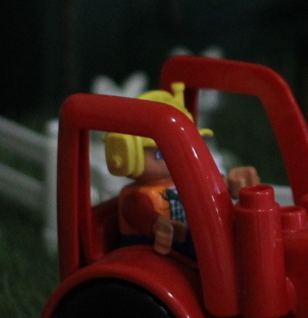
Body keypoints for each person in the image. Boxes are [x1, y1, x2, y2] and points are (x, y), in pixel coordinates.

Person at [105, 85, 259, 257]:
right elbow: (139, 214)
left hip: (184, 240)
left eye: (179, 147)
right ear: (127, 156)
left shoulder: (182, 179)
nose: (175, 156)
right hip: (149, 249)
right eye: (160, 154)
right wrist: (157, 225)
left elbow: (209, 186)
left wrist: (231, 184)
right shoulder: (137, 196)